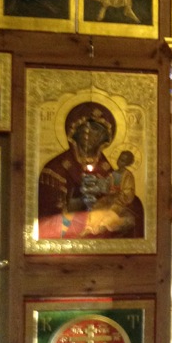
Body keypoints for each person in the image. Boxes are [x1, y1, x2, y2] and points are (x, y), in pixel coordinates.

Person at [37, 101, 131, 239]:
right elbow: (48, 217)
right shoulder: (55, 169)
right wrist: (76, 206)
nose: (88, 132)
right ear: (73, 131)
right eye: (84, 127)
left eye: (96, 129)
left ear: (105, 137)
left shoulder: (106, 169)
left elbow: (118, 203)